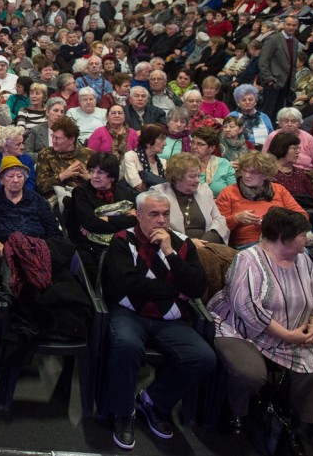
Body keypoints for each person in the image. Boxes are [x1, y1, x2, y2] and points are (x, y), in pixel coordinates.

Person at [102, 189, 216, 451]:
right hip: (130, 313)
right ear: (139, 215)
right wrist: (175, 290)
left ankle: (153, 401)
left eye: (165, 214)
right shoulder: (123, 240)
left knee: (203, 357)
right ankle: (123, 413)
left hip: (169, 320)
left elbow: (197, 288)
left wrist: (170, 253)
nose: (161, 220)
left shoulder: (182, 244)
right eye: (154, 214)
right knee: (127, 346)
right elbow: (127, 284)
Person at [207, 207, 313, 451]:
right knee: (250, 374)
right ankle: (237, 414)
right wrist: (288, 335)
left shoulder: (304, 259)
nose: (308, 239)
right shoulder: (248, 260)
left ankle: (296, 427)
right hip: (239, 329)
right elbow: (247, 309)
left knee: (312, 373)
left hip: (290, 333)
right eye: (303, 235)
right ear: (282, 237)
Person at [0, 155, 62, 261]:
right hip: (7, 253)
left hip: (37, 251)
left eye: (20, 176)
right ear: (2, 179)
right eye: (10, 176)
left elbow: (52, 228)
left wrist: (46, 249)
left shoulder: (36, 199)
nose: (16, 180)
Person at [216, 151, 305, 248]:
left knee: (301, 251)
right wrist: (236, 218)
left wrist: (269, 224)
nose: (246, 175)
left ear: (265, 174)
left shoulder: (279, 190)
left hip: (281, 238)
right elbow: (219, 226)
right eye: (244, 170)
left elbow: (302, 216)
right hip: (250, 242)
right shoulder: (228, 192)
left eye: (253, 172)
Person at [70, 152, 138, 275]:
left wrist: (107, 219)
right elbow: (91, 224)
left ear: (112, 176)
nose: (94, 176)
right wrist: (123, 218)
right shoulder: (81, 192)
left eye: (100, 172)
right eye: (92, 171)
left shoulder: (126, 193)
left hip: (122, 242)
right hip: (90, 245)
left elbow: (136, 220)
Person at [154, 153, 230, 245]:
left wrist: (204, 242)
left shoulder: (205, 193)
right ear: (177, 177)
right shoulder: (159, 193)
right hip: (175, 246)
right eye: (192, 176)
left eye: (198, 175)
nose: (198, 180)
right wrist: (189, 243)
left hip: (207, 245)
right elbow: (157, 226)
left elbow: (219, 221)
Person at [35, 115, 92, 200]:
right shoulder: (46, 154)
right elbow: (40, 187)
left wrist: (89, 179)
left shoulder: (89, 154)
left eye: (57, 138)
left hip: (84, 198)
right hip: (56, 199)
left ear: (71, 139)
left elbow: (102, 184)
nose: (53, 141)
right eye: (53, 136)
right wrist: (63, 175)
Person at [258, 14, 301, 121]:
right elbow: (263, 61)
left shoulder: (295, 41)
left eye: (294, 25)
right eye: (288, 24)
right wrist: (269, 79)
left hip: (287, 82)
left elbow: (293, 64)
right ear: (283, 25)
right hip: (273, 81)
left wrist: (292, 82)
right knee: (268, 110)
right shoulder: (273, 39)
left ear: (297, 27)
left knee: (279, 112)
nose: (291, 27)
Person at [268, 131, 313, 211]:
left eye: (298, 148)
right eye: (294, 148)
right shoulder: (268, 173)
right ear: (282, 148)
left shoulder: (299, 173)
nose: (298, 151)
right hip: (279, 212)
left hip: (304, 211)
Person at [188, 126, 236, 196]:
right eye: (193, 143)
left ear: (212, 148)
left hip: (220, 201)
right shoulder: (184, 164)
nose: (194, 147)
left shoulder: (224, 164)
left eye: (200, 144)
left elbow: (233, 192)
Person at [120, 123, 167, 192]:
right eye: (161, 139)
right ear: (148, 141)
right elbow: (138, 185)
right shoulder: (131, 156)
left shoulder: (163, 163)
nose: (165, 143)